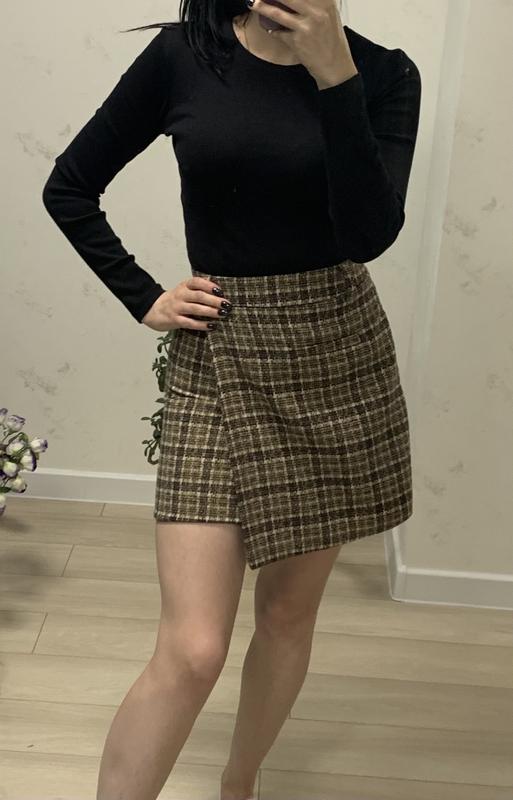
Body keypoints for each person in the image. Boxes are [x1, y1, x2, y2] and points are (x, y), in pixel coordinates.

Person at [42, 2, 422, 799]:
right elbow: (69, 186)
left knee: (285, 615)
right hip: (218, 354)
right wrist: (143, 295)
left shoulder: (384, 75)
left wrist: (334, 76)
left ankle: (238, 784)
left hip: (335, 356)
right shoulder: (185, 56)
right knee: (193, 648)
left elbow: (366, 235)